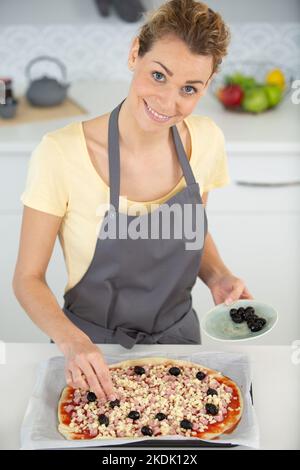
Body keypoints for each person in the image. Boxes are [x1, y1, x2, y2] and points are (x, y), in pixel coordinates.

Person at [13, 0, 253, 402]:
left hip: (180, 343)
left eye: (189, 89)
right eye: (158, 75)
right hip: (90, 355)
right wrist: (72, 342)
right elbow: (27, 279)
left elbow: (193, 232)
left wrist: (218, 275)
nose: (167, 102)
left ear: (206, 86)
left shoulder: (207, 141)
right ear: (134, 53)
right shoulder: (60, 153)